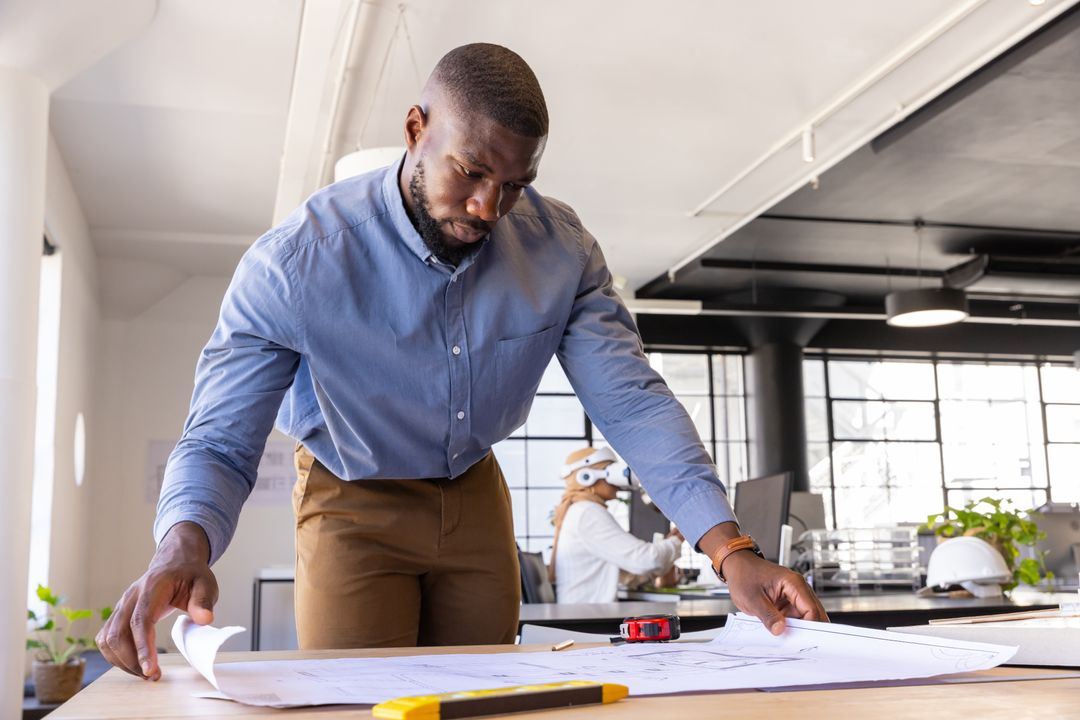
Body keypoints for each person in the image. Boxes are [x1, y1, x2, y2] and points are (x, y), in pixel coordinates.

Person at [96, 42, 828, 681]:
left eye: (515, 184)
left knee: (485, 697)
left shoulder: (559, 250)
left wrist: (731, 548)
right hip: (353, 498)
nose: (487, 207)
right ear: (415, 129)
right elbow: (222, 439)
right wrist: (181, 546)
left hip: (475, 491)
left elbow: (631, 401)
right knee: (364, 703)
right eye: (471, 171)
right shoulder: (296, 265)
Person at [549, 447, 683, 603]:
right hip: (589, 619)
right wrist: (677, 540)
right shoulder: (587, 512)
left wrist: (669, 546)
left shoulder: (580, 510)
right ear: (587, 477)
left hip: (586, 614)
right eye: (609, 470)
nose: (617, 481)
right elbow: (647, 560)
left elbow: (629, 575)